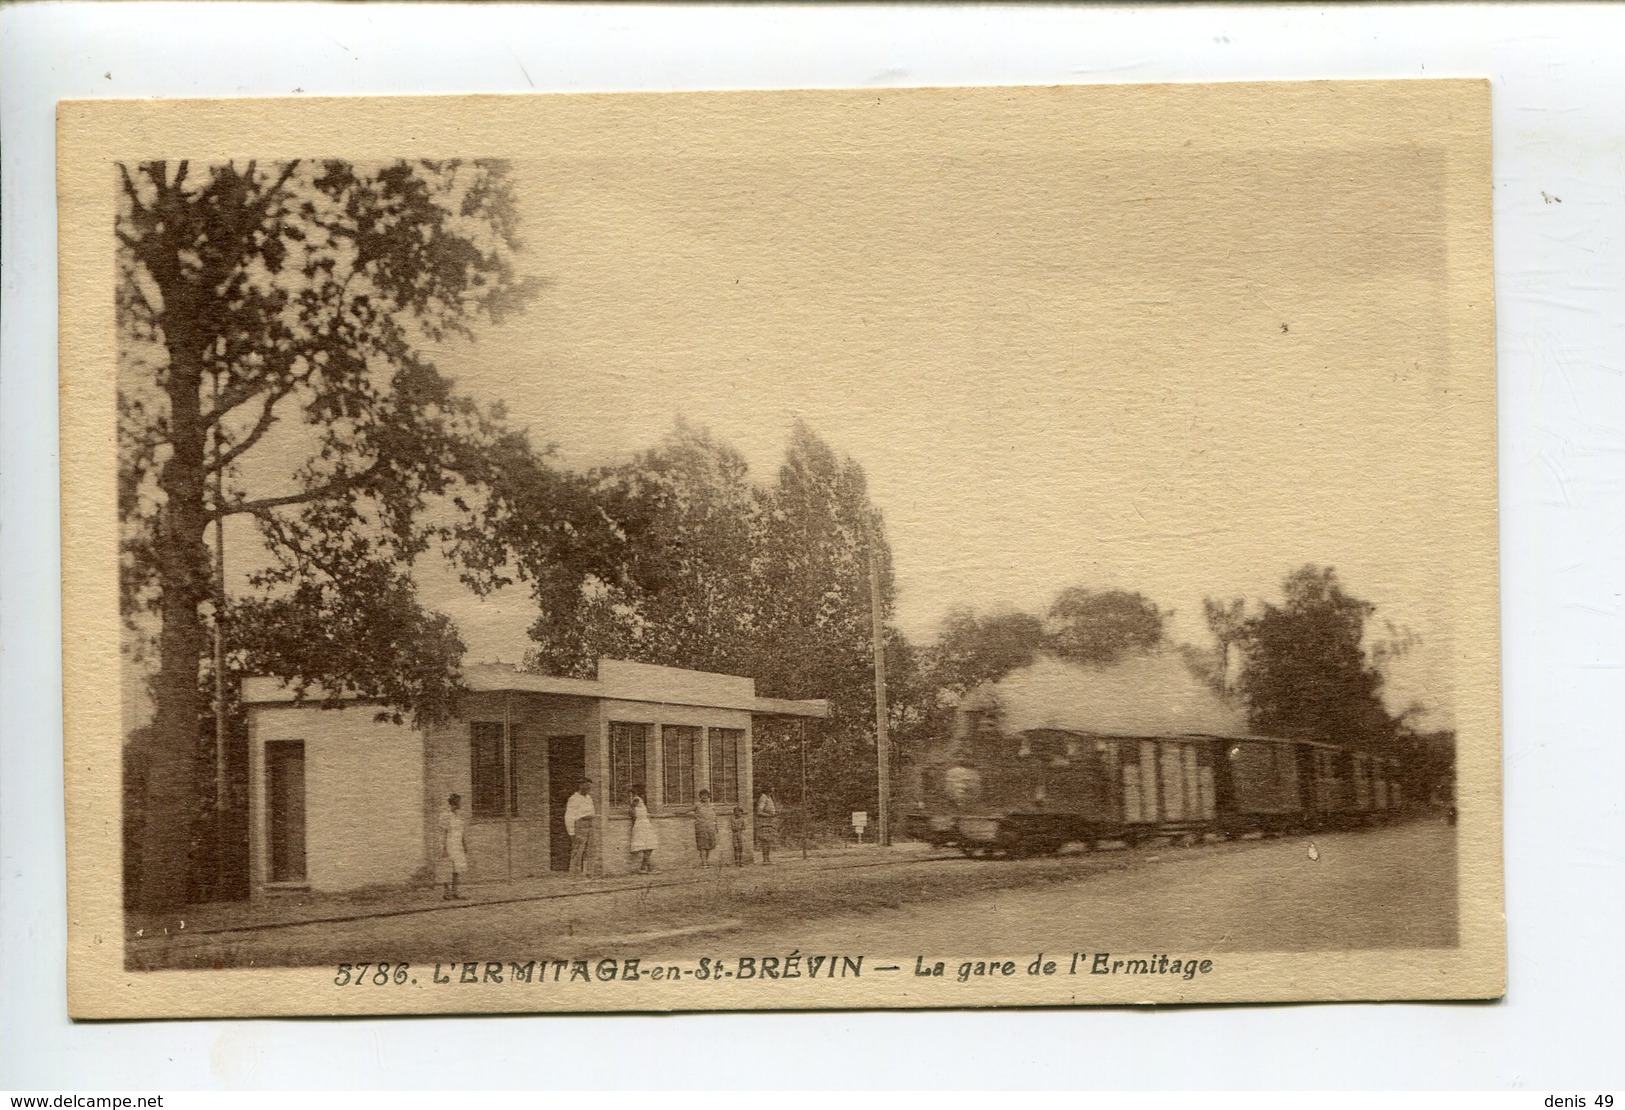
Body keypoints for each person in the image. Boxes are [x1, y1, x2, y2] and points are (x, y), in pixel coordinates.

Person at [437, 793, 469, 900]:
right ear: (455, 802)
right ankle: (446, 892)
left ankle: (455, 891)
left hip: (457, 844)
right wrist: (444, 848)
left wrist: (464, 844)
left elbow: (462, 831)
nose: (461, 804)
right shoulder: (445, 815)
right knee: (447, 868)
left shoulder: (458, 816)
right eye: (459, 801)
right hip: (449, 843)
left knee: (457, 869)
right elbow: (444, 832)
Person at [565, 778, 597, 876]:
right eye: (586, 786)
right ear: (580, 785)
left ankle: (588, 872)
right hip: (580, 825)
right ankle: (575, 873)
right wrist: (571, 832)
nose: (588, 788)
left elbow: (592, 812)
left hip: (590, 825)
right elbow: (569, 816)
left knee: (590, 850)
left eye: (590, 786)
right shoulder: (574, 799)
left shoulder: (589, 798)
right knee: (578, 850)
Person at [628, 784, 659, 873]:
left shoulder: (640, 800)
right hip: (641, 824)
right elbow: (631, 810)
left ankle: (644, 867)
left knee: (649, 846)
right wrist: (635, 818)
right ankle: (648, 868)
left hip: (645, 823)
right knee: (648, 846)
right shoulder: (637, 799)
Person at [693, 789, 719, 868]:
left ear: (708, 796)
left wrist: (716, 826)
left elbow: (715, 816)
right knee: (702, 846)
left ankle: (706, 862)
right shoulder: (697, 805)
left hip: (710, 828)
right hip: (701, 828)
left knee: (709, 846)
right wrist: (677, 812)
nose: (704, 796)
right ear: (700, 796)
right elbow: (687, 810)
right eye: (702, 795)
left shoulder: (712, 805)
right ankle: (703, 863)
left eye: (706, 795)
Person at [756, 787, 779, 865]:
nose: (773, 790)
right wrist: (769, 815)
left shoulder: (769, 798)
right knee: (765, 840)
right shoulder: (763, 798)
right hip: (765, 822)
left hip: (770, 821)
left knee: (769, 840)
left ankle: (767, 858)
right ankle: (765, 859)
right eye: (771, 789)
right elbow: (759, 812)